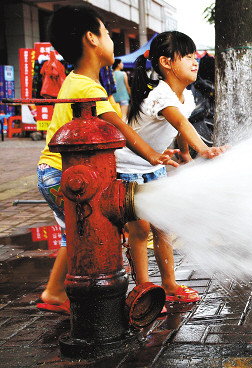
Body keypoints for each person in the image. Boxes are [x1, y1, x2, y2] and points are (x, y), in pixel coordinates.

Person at [36, 5, 181, 314]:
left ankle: (54, 292)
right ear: (91, 39)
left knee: (73, 233)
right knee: (89, 229)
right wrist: (153, 155)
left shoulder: (80, 81)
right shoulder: (87, 87)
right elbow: (122, 128)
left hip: (55, 171)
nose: (111, 39)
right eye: (106, 33)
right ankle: (88, 297)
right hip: (65, 175)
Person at [118, 31, 228, 303]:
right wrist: (203, 149)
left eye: (195, 56)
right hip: (129, 167)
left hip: (153, 166)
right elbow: (180, 122)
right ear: (166, 63)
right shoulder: (160, 94)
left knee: (163, 225)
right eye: (188, 57)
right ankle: (144, 290)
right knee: (140, 230)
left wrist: (186, 155)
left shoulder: (185, 96)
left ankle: (169, 285)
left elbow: (180, 125)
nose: (195, 62)